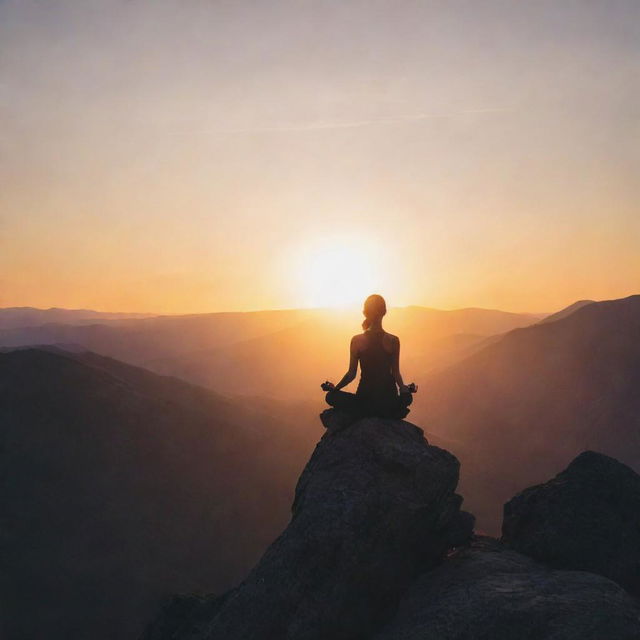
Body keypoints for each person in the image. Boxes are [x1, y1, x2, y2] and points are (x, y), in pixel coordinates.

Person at [321, 294, 417, 419]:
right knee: (407, 398)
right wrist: (404, 390)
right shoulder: (393, 340)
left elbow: (351, 374)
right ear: (384, 312)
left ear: (365, 313)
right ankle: (394, 410)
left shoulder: (356, 340)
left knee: (330, 397)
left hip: (364, 402)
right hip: (388, 403)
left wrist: (335, 389)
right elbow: (395, 373)